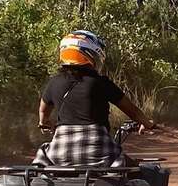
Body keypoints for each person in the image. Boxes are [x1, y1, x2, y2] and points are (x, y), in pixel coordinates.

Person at [35, 30, 154, 166]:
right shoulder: (101, 83)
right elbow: (133, 111)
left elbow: (43, 111)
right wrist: (147, 123)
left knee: (44, 153)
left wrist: (44, 123)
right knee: (136, 170)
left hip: (60, 153)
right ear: (90, 55)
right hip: (99, 151)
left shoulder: (53, 83)